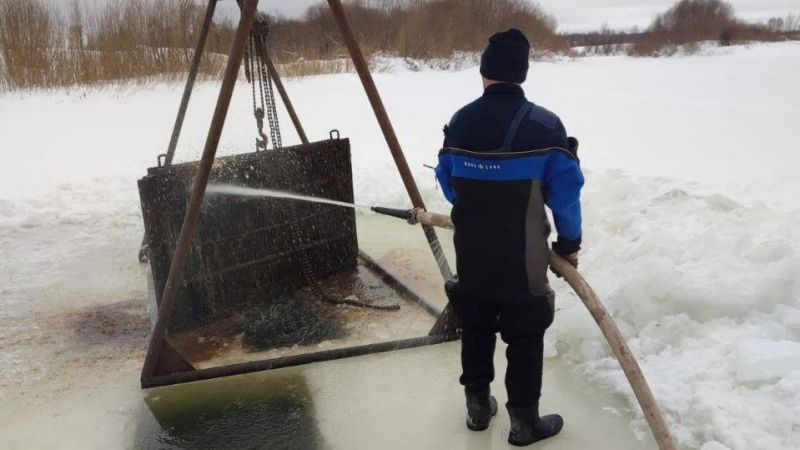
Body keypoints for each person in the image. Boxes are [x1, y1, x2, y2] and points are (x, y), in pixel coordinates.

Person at [435, 28, 583, 447]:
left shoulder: (461, 121)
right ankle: (524, 422)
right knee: (525, 331)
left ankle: (477, 408)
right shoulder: (545, 125)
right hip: (525, 257)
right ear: (522, 74)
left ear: (484, 72)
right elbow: (566, 196)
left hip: (473, 251)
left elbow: (449, 185)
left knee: (477, 322)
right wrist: (569, 246)